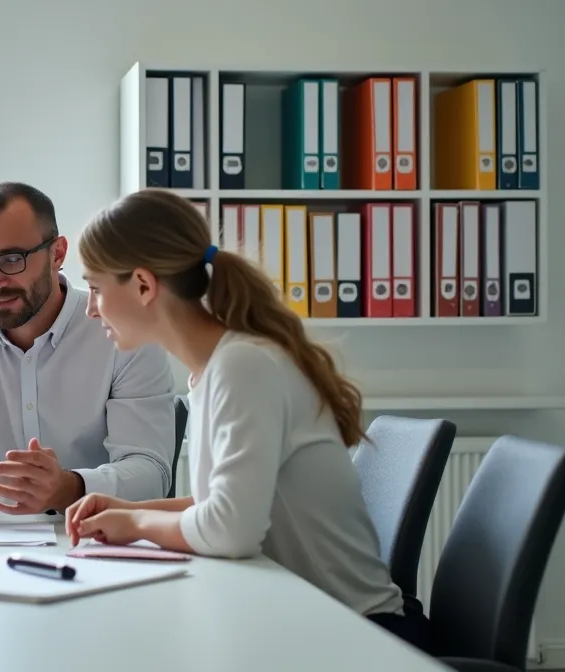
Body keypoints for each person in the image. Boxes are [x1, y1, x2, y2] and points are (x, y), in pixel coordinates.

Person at [64, 188, 430, 652]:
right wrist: (121, 510)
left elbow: (229, 530)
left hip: (361, 635)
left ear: (142, 284)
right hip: (305, 619)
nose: (91, 308)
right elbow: (220, 505)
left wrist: (135, 524)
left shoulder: (244, 367)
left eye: (95, 288)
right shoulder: (213, 371)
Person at [0, 181, 178, 522]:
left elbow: (152, 473)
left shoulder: (123, 333)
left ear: (57, 254)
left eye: (12, 259)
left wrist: (70, 488)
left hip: (98, 538)